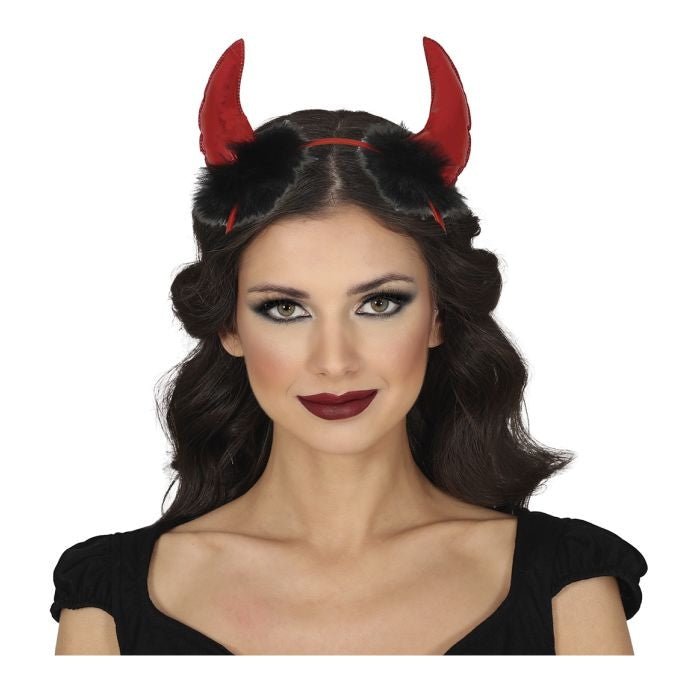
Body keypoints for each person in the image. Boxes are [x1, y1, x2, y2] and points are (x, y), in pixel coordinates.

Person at [50, 37, 647, 655]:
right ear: (229, 327)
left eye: (379, 304)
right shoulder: (108, 598)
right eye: (285, 308)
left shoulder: (567, 587)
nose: (335, 361)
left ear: (439, 315)